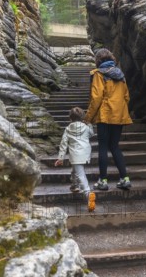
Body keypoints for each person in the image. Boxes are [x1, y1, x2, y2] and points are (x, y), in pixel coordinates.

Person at [85, 48, 133, 191]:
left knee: (103, 147)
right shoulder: (121, 76)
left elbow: (96, 98)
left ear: (98, 60)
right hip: (118, 115)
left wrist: (88, 117)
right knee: (115, 146)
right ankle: (125, 179)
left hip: (105, 116)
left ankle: (103, 181)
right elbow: (126, 97)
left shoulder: (98, 74)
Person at [54, 107, 96, 212]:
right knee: (75, 170)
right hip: (85, 153)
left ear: (70, 118)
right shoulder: (86, 127)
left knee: (80, 174)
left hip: (75, 154)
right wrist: (89, 124)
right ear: (82, 117)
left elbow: (63, 144)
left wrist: (60, 158)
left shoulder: (68, 129)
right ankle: (74, 185)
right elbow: (91, 134)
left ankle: (88, 193)